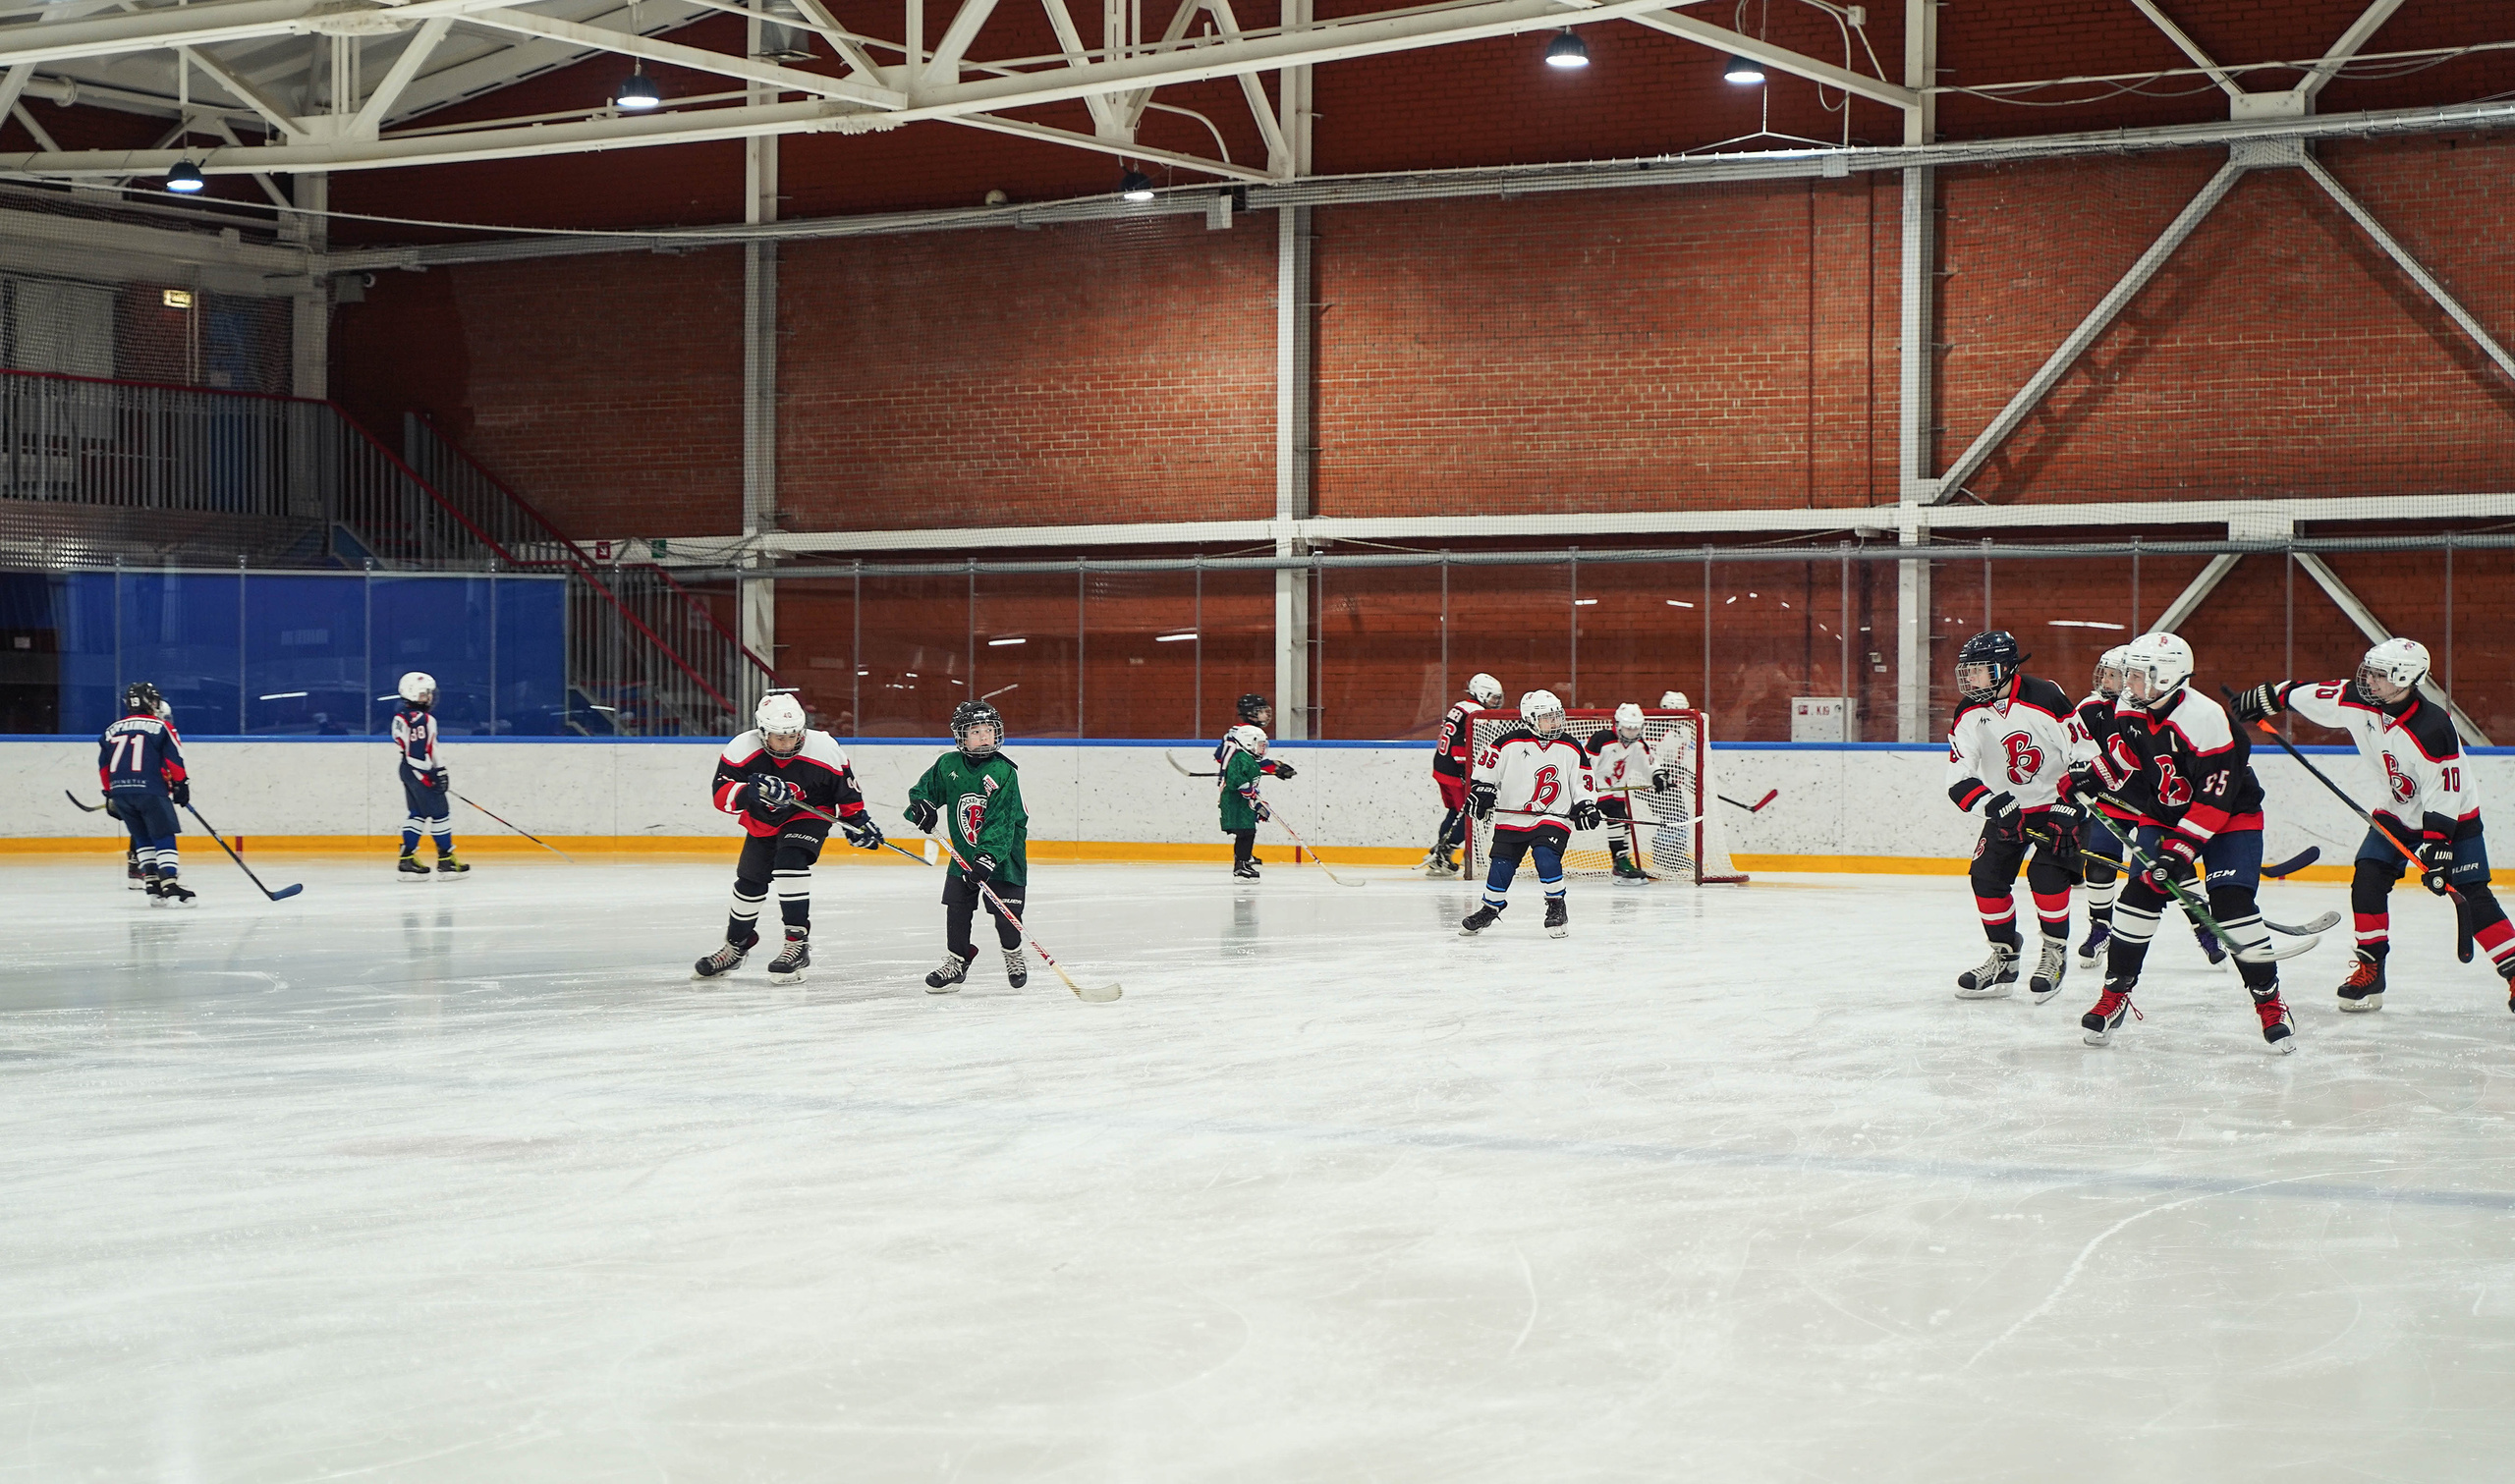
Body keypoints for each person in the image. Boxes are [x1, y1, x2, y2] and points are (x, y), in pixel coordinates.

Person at [2234, 637, 2515, 1010]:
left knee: (2473, 895)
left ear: (2404, 679)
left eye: (2379, 675)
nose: (2368, 679)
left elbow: (2445, 791)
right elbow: (2313, 693)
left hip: (2453, 819)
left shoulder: (2432, 727)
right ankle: (2371, 968)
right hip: (2396, 814)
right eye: (2369, 670)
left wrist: (2438, 844)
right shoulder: (2358, 699)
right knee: (2367, 877)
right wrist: (2271, 696)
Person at [2080, 632, 2295, 1052]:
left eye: (2139, 675)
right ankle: (2115, 995)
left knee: (2233, 907)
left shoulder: (2205, 719)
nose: (2129, 683)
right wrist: (2090, 776)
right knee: (2136, 900)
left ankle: (2270, 1001)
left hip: (2231, 817)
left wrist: (2179, 853)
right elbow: (2128, 753)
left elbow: (2215, 802)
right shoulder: (2131, 706)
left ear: (2167, 678)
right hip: (2165, 814)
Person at [692, 691, 883, 985]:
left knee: (790, 862)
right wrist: (750, 791)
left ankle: (796, 942)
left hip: (810, 814)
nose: (787, 743)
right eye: (779, 738)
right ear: (762, 732)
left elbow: (846, 791)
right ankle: (736, 945)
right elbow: (721, 796)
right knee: (749, 884)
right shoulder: (741, 749)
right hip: (763, 821)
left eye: (793, 736)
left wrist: (856, 822)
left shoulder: (824, 748)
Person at [1942, 632, 2079, 1002]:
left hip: (2058, 807)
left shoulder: (2046, 697)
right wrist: (1992, 804)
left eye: (1978, 671)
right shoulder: (1967, 712)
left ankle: (2054, 952)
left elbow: (2084, 755)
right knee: (1986, 878)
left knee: (2045, 875)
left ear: (2003, 669)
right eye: (1966, 672)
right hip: (2008, 811)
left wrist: (2072, 806)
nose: (1969, 679)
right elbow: (1958, 777)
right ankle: (2005, 957)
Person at [906, 700, 1033, 993]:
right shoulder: (947, 764)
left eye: (989, 730)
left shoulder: (1004, 772)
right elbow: (923, 792)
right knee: (957, 909)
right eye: (976, 731)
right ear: (961, 736)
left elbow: (1002, 822)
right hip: (963, 853)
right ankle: (957, 960)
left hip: (1004, 858)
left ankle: (1013, 953)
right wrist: (921, 806)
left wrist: (988, 858)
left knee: (1006, 919)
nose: (985, 737)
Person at [1460, 689, 1598, 939]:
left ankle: (1557, 904)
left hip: (1553, 815)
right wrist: (1482, 790)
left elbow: (1583, 781)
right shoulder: (1508, 743)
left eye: (1557, 716)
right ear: (1530, 719)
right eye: (1548, 718)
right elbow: (1486, 771)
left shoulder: (1570, 746)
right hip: (1513, 815)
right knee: (1502, 863)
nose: (1555, 722)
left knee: (1545, 854)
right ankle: (1491, 907)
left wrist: (1586, 805)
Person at [99, 680, 192, 905]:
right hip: (150, 790)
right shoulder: (161, 727)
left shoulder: (111, 729)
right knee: (163, 834)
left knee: (142, 837)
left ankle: (151, 883)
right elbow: (174, 759)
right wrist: (181, 784)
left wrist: (110, 793)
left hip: (121, 793)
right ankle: (169, 882)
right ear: (149, 701)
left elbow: (104, 765)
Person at [1424, 673, 1503, 877]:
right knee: (1468, 813)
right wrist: (1464, 772)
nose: (1496, 702)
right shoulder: (1476, 712)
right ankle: (1442, 854)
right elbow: (1460, 743)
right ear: (1481, 693)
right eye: (1493, 697)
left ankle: (1441, 852)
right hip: (1455, 769)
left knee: (1454, 811)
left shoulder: (1462, 706)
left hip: (1442, 765)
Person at [391, 672, 467, 878]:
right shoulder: (422, 719)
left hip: (407, 769)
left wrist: (432, 770)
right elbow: (420, 750)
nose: (430, 698)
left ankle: (406, 859)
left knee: (418, 813)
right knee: (441, 813)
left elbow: (414, 748)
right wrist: (431, 773)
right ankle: (446, 861)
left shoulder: (401, 717)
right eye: (425, 694)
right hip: (418, 770)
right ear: (413, 694)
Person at [1583, 701, 1655, 880]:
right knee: (1617, 816)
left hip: (1616, 791)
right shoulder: (1602, 739)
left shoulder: (1638, 745)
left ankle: (1621, 862)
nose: (1632, 733)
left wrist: (1659, 777)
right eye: (1628, 729)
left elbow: (1650, 765)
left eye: (1635, 729)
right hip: (1596, 789)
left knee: (1624, 821)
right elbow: (1585, 765)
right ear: (1617, 725)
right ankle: (1620, 862)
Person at [1218, 722, 1275, 879]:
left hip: (1243, 803)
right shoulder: (1240, 758)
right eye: (1259, 744)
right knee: (1245, 832)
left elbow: (1250, 786)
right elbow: (1237, 780)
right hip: (1235, 803)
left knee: (1248, 831)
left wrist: (1258, 803)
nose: (1262, 748)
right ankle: (1241, 864)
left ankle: (1242, 863)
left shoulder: (1250, 760)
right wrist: (1252, 797)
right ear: (1248, 742)